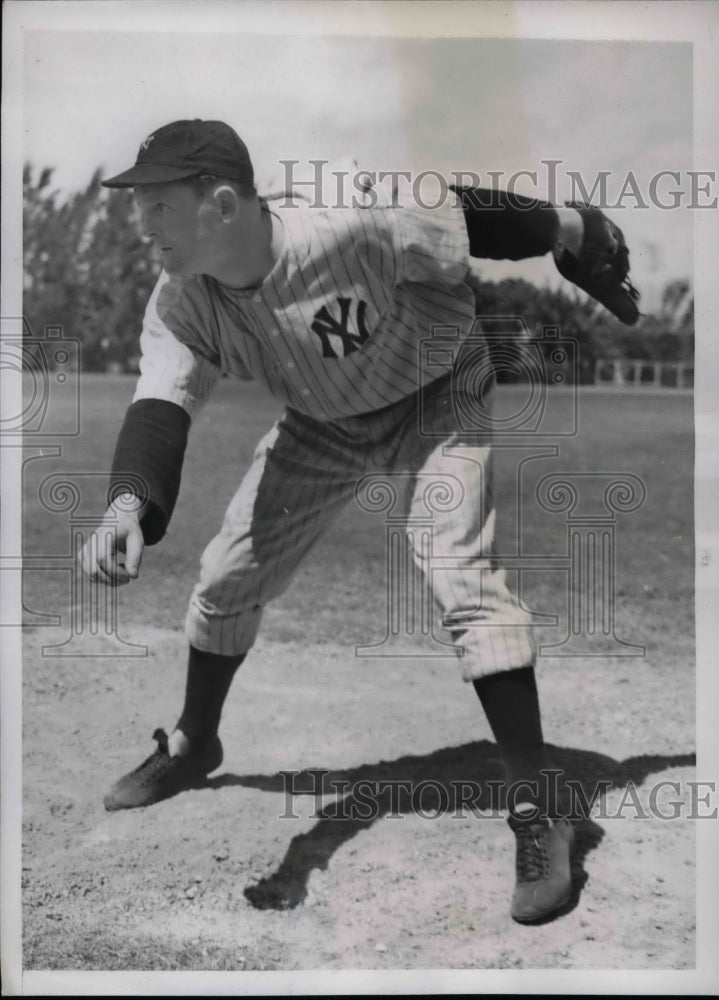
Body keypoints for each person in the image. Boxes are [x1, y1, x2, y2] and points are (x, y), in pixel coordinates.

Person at [80, 119, 638, 923]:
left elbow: (465, 217)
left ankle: (540, 807)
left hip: (439, 391)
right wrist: (128, 502)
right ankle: (195, 742)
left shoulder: (349, 219)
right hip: (324, 421)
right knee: (226, 576)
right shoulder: (180, 302)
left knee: (459, 572)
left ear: (223, 204)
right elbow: (163, 401)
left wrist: (576, 228)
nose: (142, 226)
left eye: (158, 206)